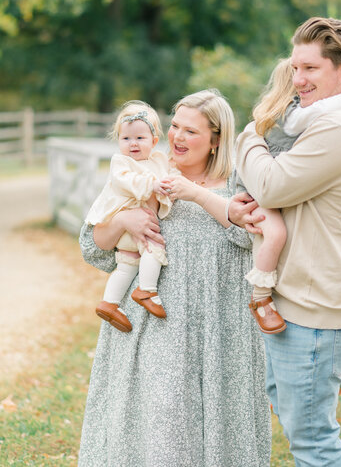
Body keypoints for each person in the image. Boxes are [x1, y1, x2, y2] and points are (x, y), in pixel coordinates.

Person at [78, 90, 271, 467]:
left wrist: (196, 194)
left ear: (216, 139)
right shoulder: (144, 173)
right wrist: (122, 221)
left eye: (191, 132)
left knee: (219, 428)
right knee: (162, 425)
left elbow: (250, 236)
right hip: (155, 328)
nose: (178, 138)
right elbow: (93, 246)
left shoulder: (240, 181)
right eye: (175, 127)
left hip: (220, 330)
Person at [232, 17, 341, 467]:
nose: (297, 80)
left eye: (310, 69)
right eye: (295, 68)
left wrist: (250, 132)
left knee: (313, 440)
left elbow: (274, 186)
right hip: (303, 297)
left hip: (321, 306)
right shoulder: (321, 120)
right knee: (291, 410)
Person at [244, 57, 341, 335]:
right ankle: (260, 296)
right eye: (295, 75)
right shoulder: (288, 115)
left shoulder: (302, 116)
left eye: (309, 70)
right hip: (253, 184)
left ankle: (262, 294)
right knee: (276, 233)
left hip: (263, 177)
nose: (300, 82)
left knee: (274, 232)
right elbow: (269, 187)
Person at [85, 100, 176, 332]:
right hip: (127, 227)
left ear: (154, 141)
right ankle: (147, 290)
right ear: (118, 141)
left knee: (126, 266)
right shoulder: (121, 163)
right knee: (153, 248)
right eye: (126, 139)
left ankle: (110, 303)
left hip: (133, 230)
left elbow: (167, 180)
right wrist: (153, 184)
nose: (132, 144)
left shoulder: (157, 161)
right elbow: (127, 181)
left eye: (140, 138)